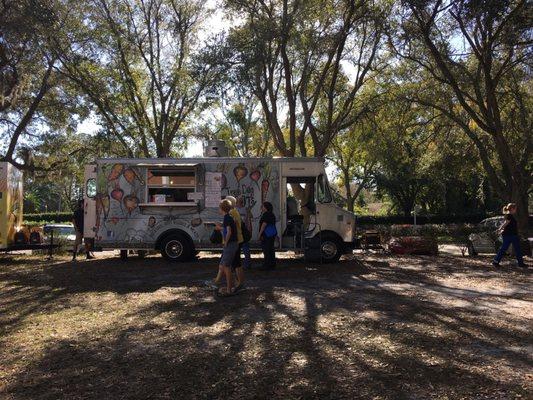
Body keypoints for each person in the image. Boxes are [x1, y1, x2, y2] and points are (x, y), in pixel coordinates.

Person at [217, 199, 239, 295]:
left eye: (219, 207)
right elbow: (228, 228)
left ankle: (229, 290)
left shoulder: (227, 218)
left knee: (226, 267)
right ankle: (231, 286)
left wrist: (225, 242)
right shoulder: (228, 217)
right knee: (222, 265)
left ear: (222, 209)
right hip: (233, 243)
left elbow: (229, 231)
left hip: (230, 244)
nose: (218, 209)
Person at [492, 203, 526, 268]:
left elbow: (509, 225)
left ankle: (521, 264)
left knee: (517, 249)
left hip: (513, 235)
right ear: (512, 209)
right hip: (509, 236)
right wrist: (499, 229)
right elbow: (505, 223)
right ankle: (495, 262)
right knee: (504, 249)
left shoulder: (510, 216)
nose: (516, 210)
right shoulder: (509, 215)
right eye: (515, 208)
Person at [258, 201, 277, 270]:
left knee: (266, 250)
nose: (261, 207)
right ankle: (272, 263)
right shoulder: (272, 214)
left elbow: (264, 225)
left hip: (266, 234)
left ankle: (267, 264)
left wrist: (259, 234)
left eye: (262, 206)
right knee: (271, 249)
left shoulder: (266, 215)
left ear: (265, 207)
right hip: (271, 234)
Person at [236, 195, 252, 270]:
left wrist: (249, 230)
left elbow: (248, 221)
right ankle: (243, 264)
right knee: (242, 248)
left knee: (243, 248)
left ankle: (245, 264)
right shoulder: (237, 210)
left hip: (242, 231)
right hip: (240, 231)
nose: (239, 201)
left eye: (240, 200)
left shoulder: (245, 209)